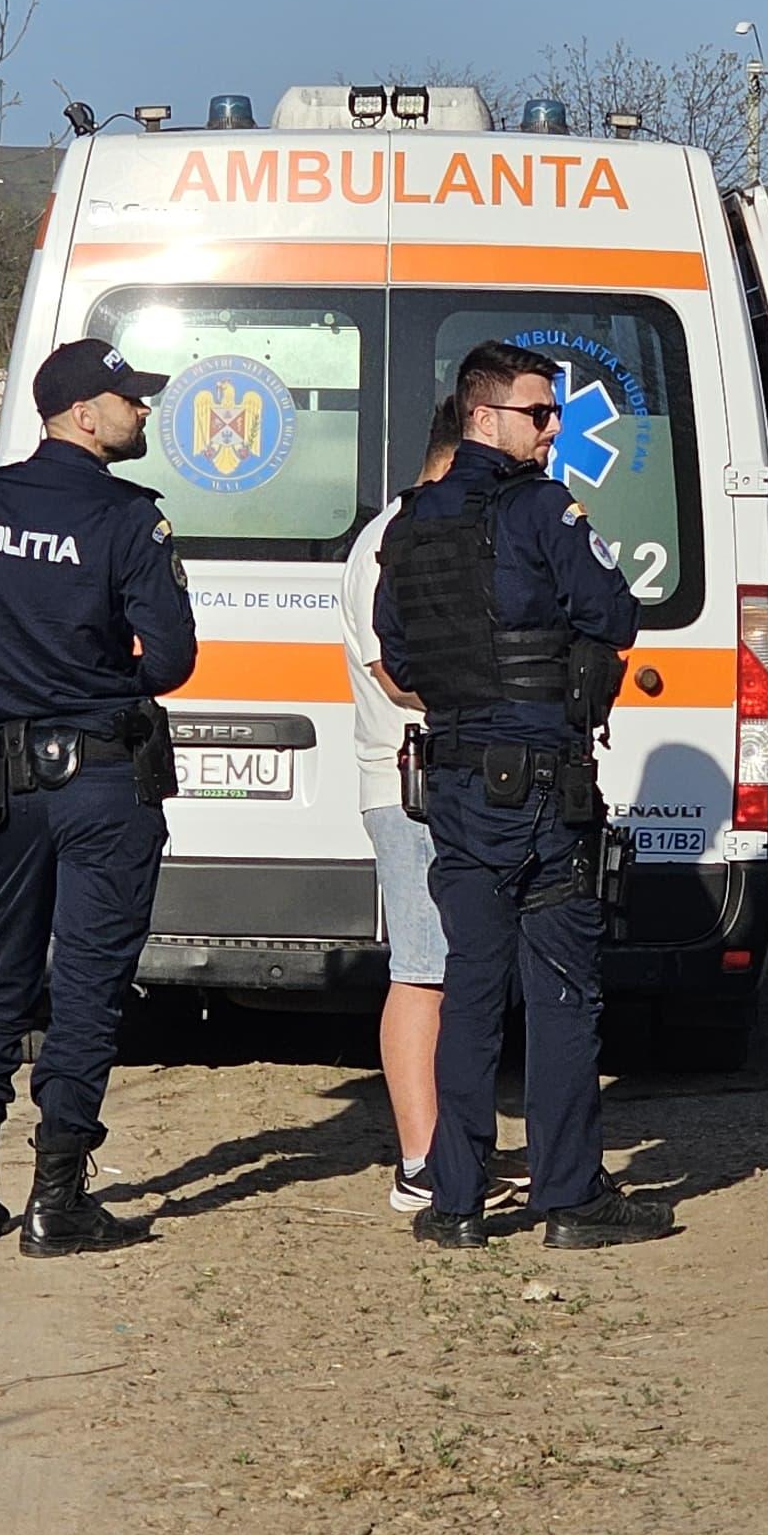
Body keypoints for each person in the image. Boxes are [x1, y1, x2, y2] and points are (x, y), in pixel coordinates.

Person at [378, 341, 675, 1251]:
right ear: (483, 417)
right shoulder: (543, 508)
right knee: (561, 993)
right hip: (542, 789)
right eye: (538, 414)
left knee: (470, 990)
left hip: (456, 784)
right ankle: (570, 1197)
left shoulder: (409, 523)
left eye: (555, 414)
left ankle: (456, 1201)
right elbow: (615, 612)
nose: (553, 430)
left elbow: (400, 655)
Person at [0, 337, 199, 1258]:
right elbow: (172, 660)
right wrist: (96, 677)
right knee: (85, 988)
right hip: (102, 780)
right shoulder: (127, 518)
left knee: (1, 981)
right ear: (83, 413)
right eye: (130, 399)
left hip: (6, 782)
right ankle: (57, 1202)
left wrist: (25, 670)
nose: (143, 411)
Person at [345, 397, 469, 1212]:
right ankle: (420, 1162)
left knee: (447, 972)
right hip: (407, 782)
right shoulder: (392, 540)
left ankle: (446, 1150)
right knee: (423, 971)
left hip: (436, 777)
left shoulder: (421, 530)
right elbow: (396, 673)